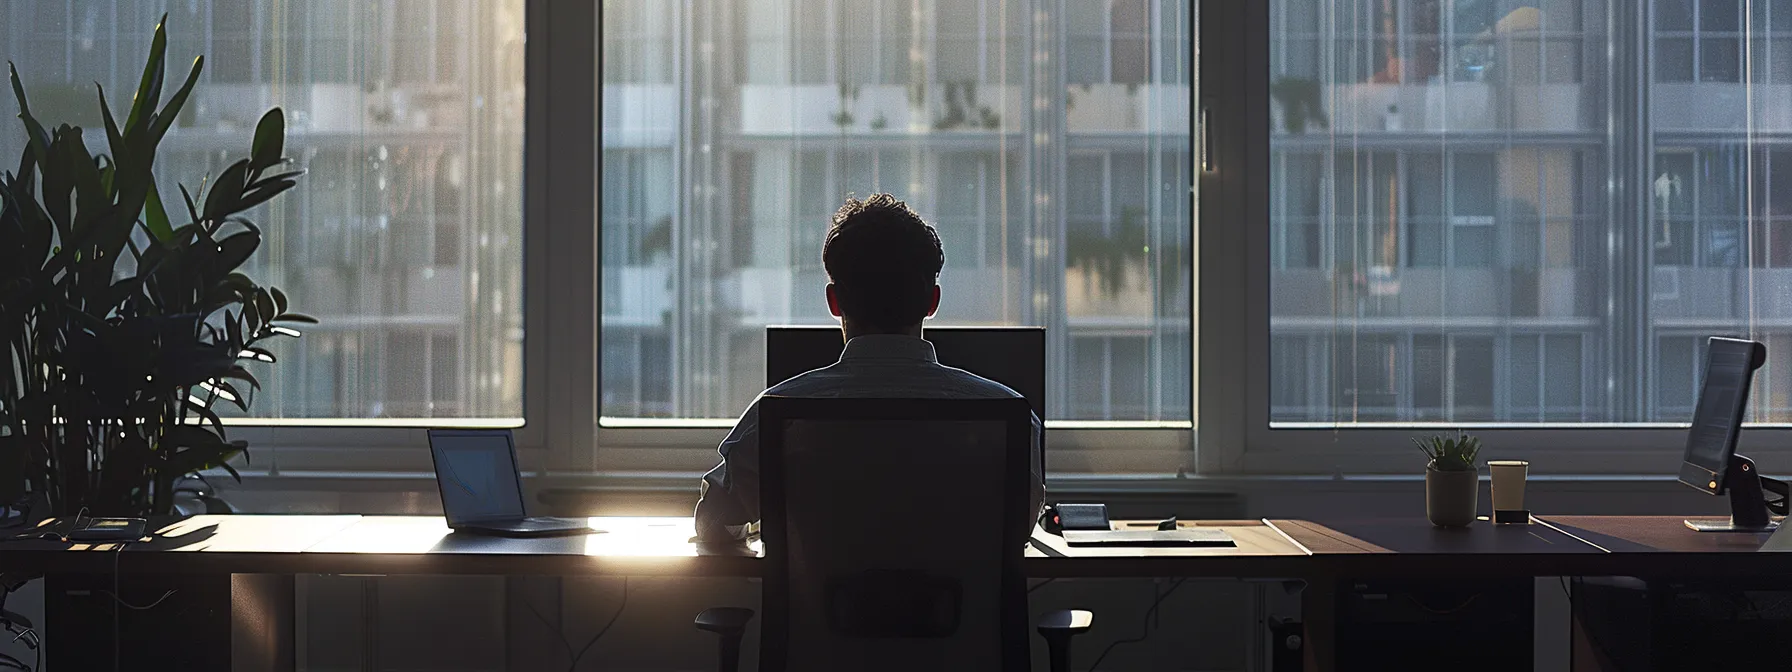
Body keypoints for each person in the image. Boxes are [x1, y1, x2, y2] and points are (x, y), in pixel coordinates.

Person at [693, 193, 1045, 544]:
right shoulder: (1008, 416)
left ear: (834, 301)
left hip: (824, 602)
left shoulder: (776, 413)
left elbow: (713, 524)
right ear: (932, 301)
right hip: (957, 602)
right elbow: (1020, 528)